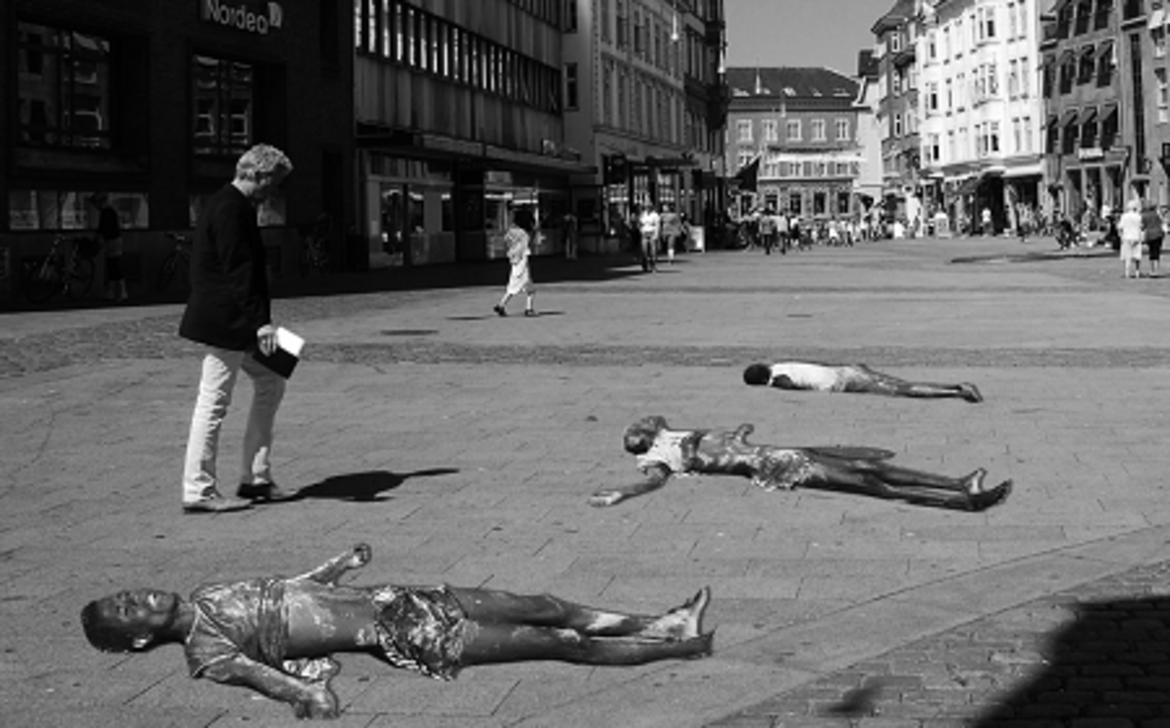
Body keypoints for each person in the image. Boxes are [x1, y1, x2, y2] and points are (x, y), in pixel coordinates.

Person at [80, 544, 713, 720]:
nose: (136, 597)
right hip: (406, 636)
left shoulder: (208, 593)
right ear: (138, 640)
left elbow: (292, 588)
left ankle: (660, 624)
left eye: (126, 593)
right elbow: (276, 683)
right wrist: (312, 694)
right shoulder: (210, 654)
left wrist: (338, 566)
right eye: (126, 609)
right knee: (559, 644)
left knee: (544, 606)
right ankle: (677, 649)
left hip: (400, 597)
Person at [179, 144, 296, 514]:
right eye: (273, 182)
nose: (273, 191)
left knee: (272, 380)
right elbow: (240, 270)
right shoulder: (232, 208)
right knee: (213, 401)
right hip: (228, 321)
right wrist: (261, 322)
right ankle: (199, 489)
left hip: (233, 319)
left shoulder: (227, 203)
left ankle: (256, 478)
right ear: (258, 175)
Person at [589, 416, 1012, 511]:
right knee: (870, 485)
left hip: (777, 453)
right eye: (638, 430)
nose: (644, 425)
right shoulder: (656, 457)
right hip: (775, 468)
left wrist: (739, 434)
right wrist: (622, 492)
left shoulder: (667, 432)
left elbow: (714, 442)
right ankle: (962, 500)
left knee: (870, 469)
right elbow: (654, 482)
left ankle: (958, 483)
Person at [742, 361, 983, 403]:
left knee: (903, 390)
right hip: (846, 370)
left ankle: (958, 392)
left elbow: (788, 385)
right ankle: (956, 387)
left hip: (845, 381)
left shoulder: (779, 378)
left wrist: (770, 385)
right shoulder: (780, 365)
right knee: (903, 385)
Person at [494, 207, 537, 316]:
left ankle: (502, 305)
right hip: (522, 262)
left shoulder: (510, 232)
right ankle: (528, 309)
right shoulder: (524, 235)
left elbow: (506, 243)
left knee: (514, 286)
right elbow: (525, 250)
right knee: (528, 288)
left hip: (514, 260)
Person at [90, 193, 128, 302]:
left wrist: (97, 237)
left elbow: (103, 228)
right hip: (114, 240)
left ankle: (121, 292)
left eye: (96, 204)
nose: (95, 207)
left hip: (112, 241)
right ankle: (113, 292)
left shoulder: (106, 212)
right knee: (112, 266)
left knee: (113, 266)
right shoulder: (110, 211)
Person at [1119, 198, 1144, 279]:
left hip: (1127, 237)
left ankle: (1127, 272)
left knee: (1127, 256)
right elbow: (1141, 226)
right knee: (1137, 256)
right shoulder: (1138, 216)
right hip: (1136, 236)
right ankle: (1137, 272)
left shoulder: (1124, 216)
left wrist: (1121, 235)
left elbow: (1120, 227)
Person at [638, 204, 661, 272]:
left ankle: (653, 265)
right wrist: (641, 230)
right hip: (644, 233)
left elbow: (657, 225)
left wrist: (656, 234)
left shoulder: (655, 215)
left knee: (653, 251)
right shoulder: (643, 214)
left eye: (649, 207)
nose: (647, 209)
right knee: (644, 250)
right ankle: (644, 265)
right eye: (646, 207)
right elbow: (639, 223)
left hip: (652, 233)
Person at [1143, 203, 1164, 278]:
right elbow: (1162, 221)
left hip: (1149, 235)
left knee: (1151, 252)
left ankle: (1152, 270)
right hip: (1158, 234)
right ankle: (1156, 270)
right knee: (1157, 252)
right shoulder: (1157, 214)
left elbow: (1143, 226)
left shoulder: (1144, 215)